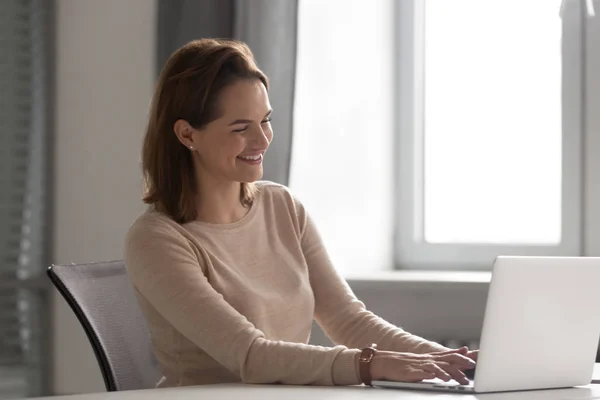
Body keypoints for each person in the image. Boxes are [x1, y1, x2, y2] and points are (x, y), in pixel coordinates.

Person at [124, 38, 477, 388]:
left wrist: (449, 363)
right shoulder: (157, 240)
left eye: (266, 120)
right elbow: (251, 355)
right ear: (187, 134)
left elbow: (349, 321)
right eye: (240, 128)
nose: (262, 140)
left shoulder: (283, 208)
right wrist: (370, 364)